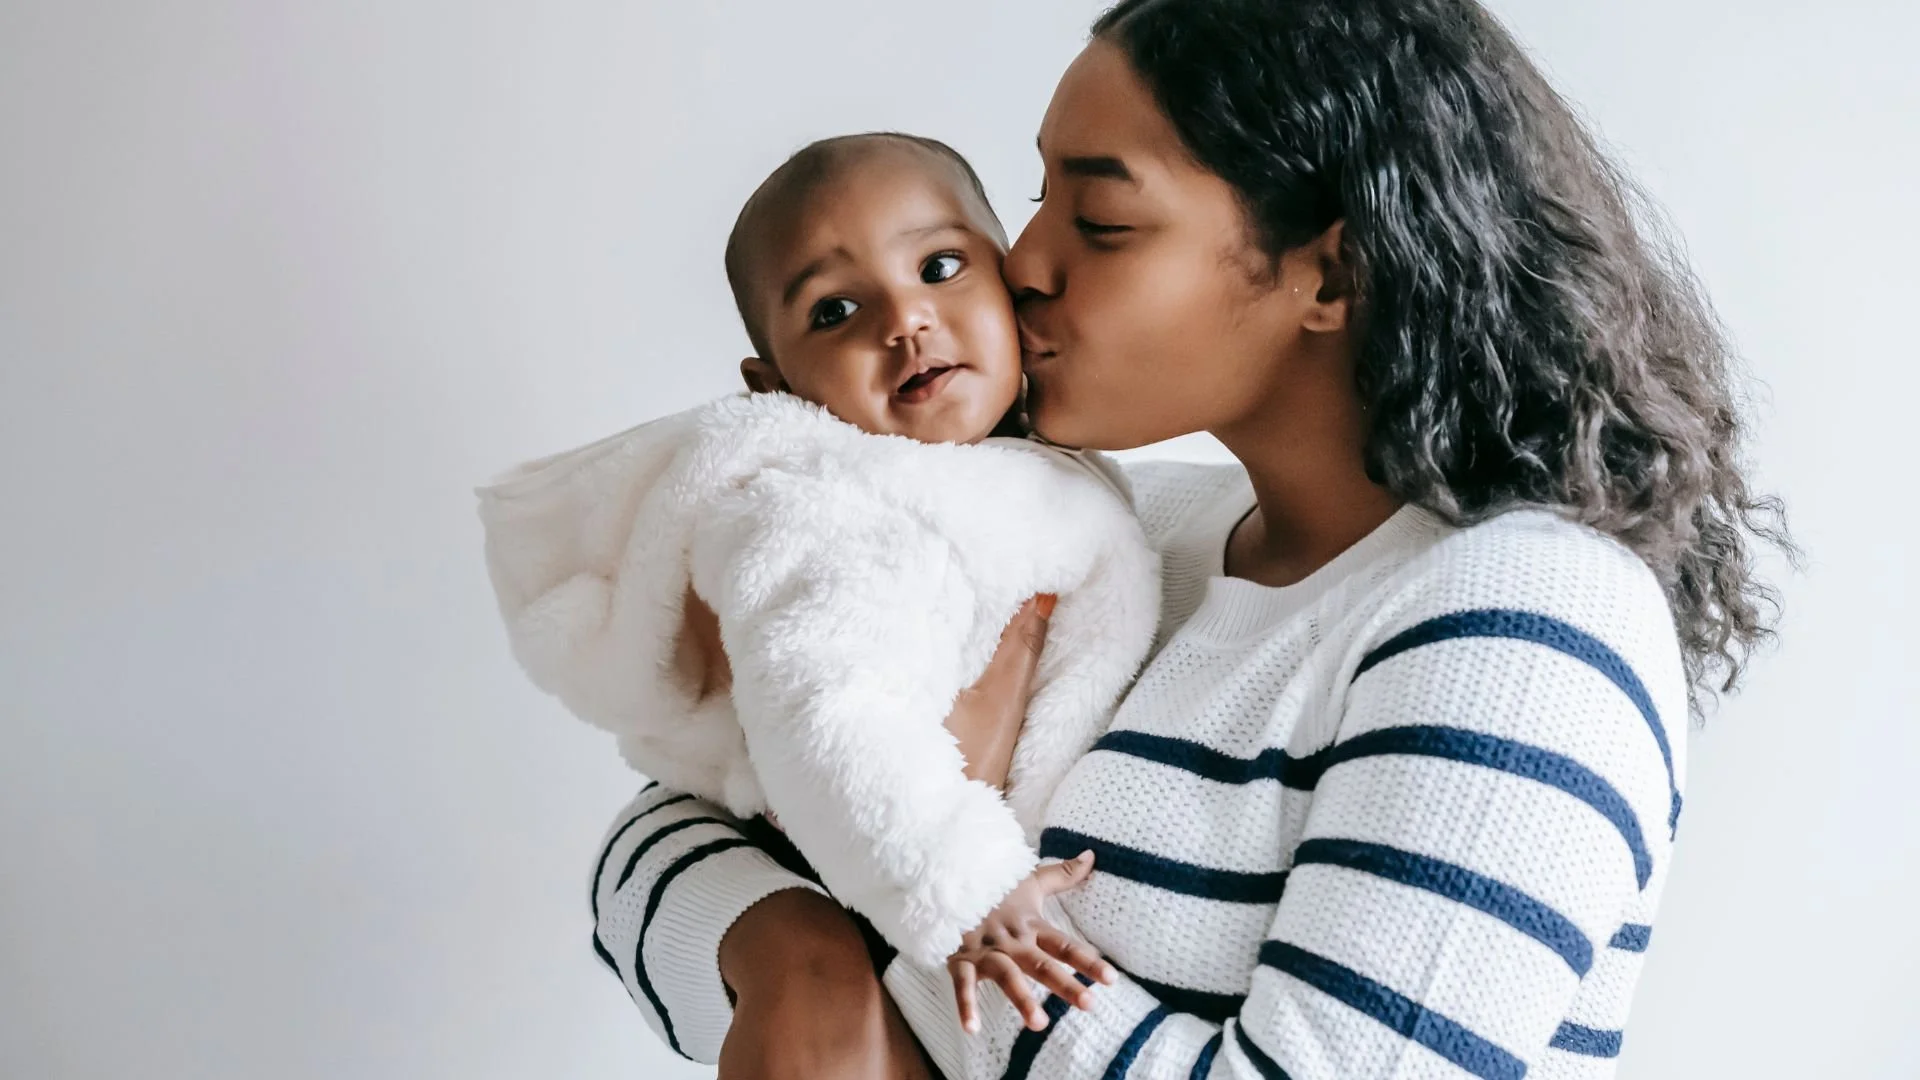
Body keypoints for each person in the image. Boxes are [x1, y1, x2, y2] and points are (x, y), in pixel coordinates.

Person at [589, 1, 1789, 1077]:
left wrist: (907, 910)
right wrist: (797, 958)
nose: (1025, 263)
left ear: (1332, 272)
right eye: (1039, 193)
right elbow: (668, 822)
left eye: (1100, 221)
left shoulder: (1521, 628)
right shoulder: (1117, 530)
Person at [482, 133, 1157, 979]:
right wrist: (968, 888)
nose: (905, 319)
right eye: (835, 311)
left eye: (940, 267)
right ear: (775, 388)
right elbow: (828, 720)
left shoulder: (1048, 475)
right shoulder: (820, 510)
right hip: (920, 915)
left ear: (1009, 280)